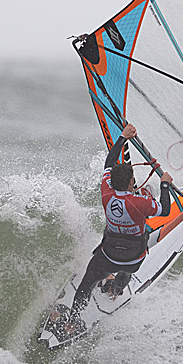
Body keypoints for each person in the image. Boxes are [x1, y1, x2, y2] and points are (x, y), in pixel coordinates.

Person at [68, 122, 172, 319]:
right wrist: (165, 184)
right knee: (127, 268)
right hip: (134, 257)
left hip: (108, 254)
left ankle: (73, 320)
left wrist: (122, 137)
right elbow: (165, 210)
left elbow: (109, 163)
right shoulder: (141, 203)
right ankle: (115, 291)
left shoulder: (106, 192)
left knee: (86, 284)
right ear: (132, 182)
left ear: (113, 181)